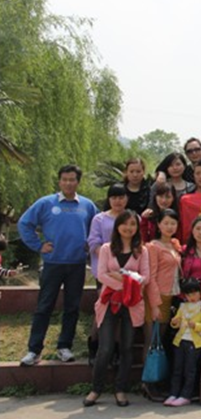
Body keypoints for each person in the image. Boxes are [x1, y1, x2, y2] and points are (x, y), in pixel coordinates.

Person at [18, 164, 99, 367]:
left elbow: (98, 227)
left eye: (72, 180)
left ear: (78, 182)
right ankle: (34, 350)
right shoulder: (46, 203)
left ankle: (64, 346)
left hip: (77, 264)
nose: (68, 183)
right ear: (59, 181)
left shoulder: (87, 205)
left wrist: (91, 245)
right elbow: (24, 224)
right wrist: (39, 245)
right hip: (52, 264)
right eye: (65, 179)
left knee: (72, 307)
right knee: (44, 306)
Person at [83, 210, 149, 408]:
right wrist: (127, 283)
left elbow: (145, 277)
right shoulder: (106, 248)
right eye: (124, 224)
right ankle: (96, 389)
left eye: (133, 224)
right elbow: (101, 274)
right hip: (109, 302)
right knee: (105, 348)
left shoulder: (141, 251)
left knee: (127, 348)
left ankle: (120, 389)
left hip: (131, 305)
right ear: (117, 226)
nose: (128, 228)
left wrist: (124, 279)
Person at [86, 183, 129, 365]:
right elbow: (93, 243)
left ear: (126, 198)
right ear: (109, 199)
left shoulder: (132, 217)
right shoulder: (99, 219)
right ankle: (94, 346)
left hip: (125, 273)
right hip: (104, 273)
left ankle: (116, 350)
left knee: (120, 311)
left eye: (121, 197)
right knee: (103, 310)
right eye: (114, 197)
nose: (118, 201)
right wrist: (110, 259)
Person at [164, 277, 201, 407]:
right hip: (180, 340)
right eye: (188, 294)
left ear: (200, 293)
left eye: (195, 293)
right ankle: (173, 393)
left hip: (194, 342)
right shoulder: (182, 306)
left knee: (189, 370)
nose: (192, 297)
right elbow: (176, 321)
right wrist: (174, 322)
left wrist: (195, 325)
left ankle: (186, 395)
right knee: (177, 368)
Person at [144, 209, 183, 358]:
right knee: (151, 341)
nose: (169, 227)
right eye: (166, 223)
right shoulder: (153, 246)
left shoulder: (175, 245)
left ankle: (156, 372)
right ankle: (147, 372)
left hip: (170, 296)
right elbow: (151, 277)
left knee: (161, 339)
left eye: (173, 223)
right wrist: (154, 305)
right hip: (156, 296)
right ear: (159, 225)